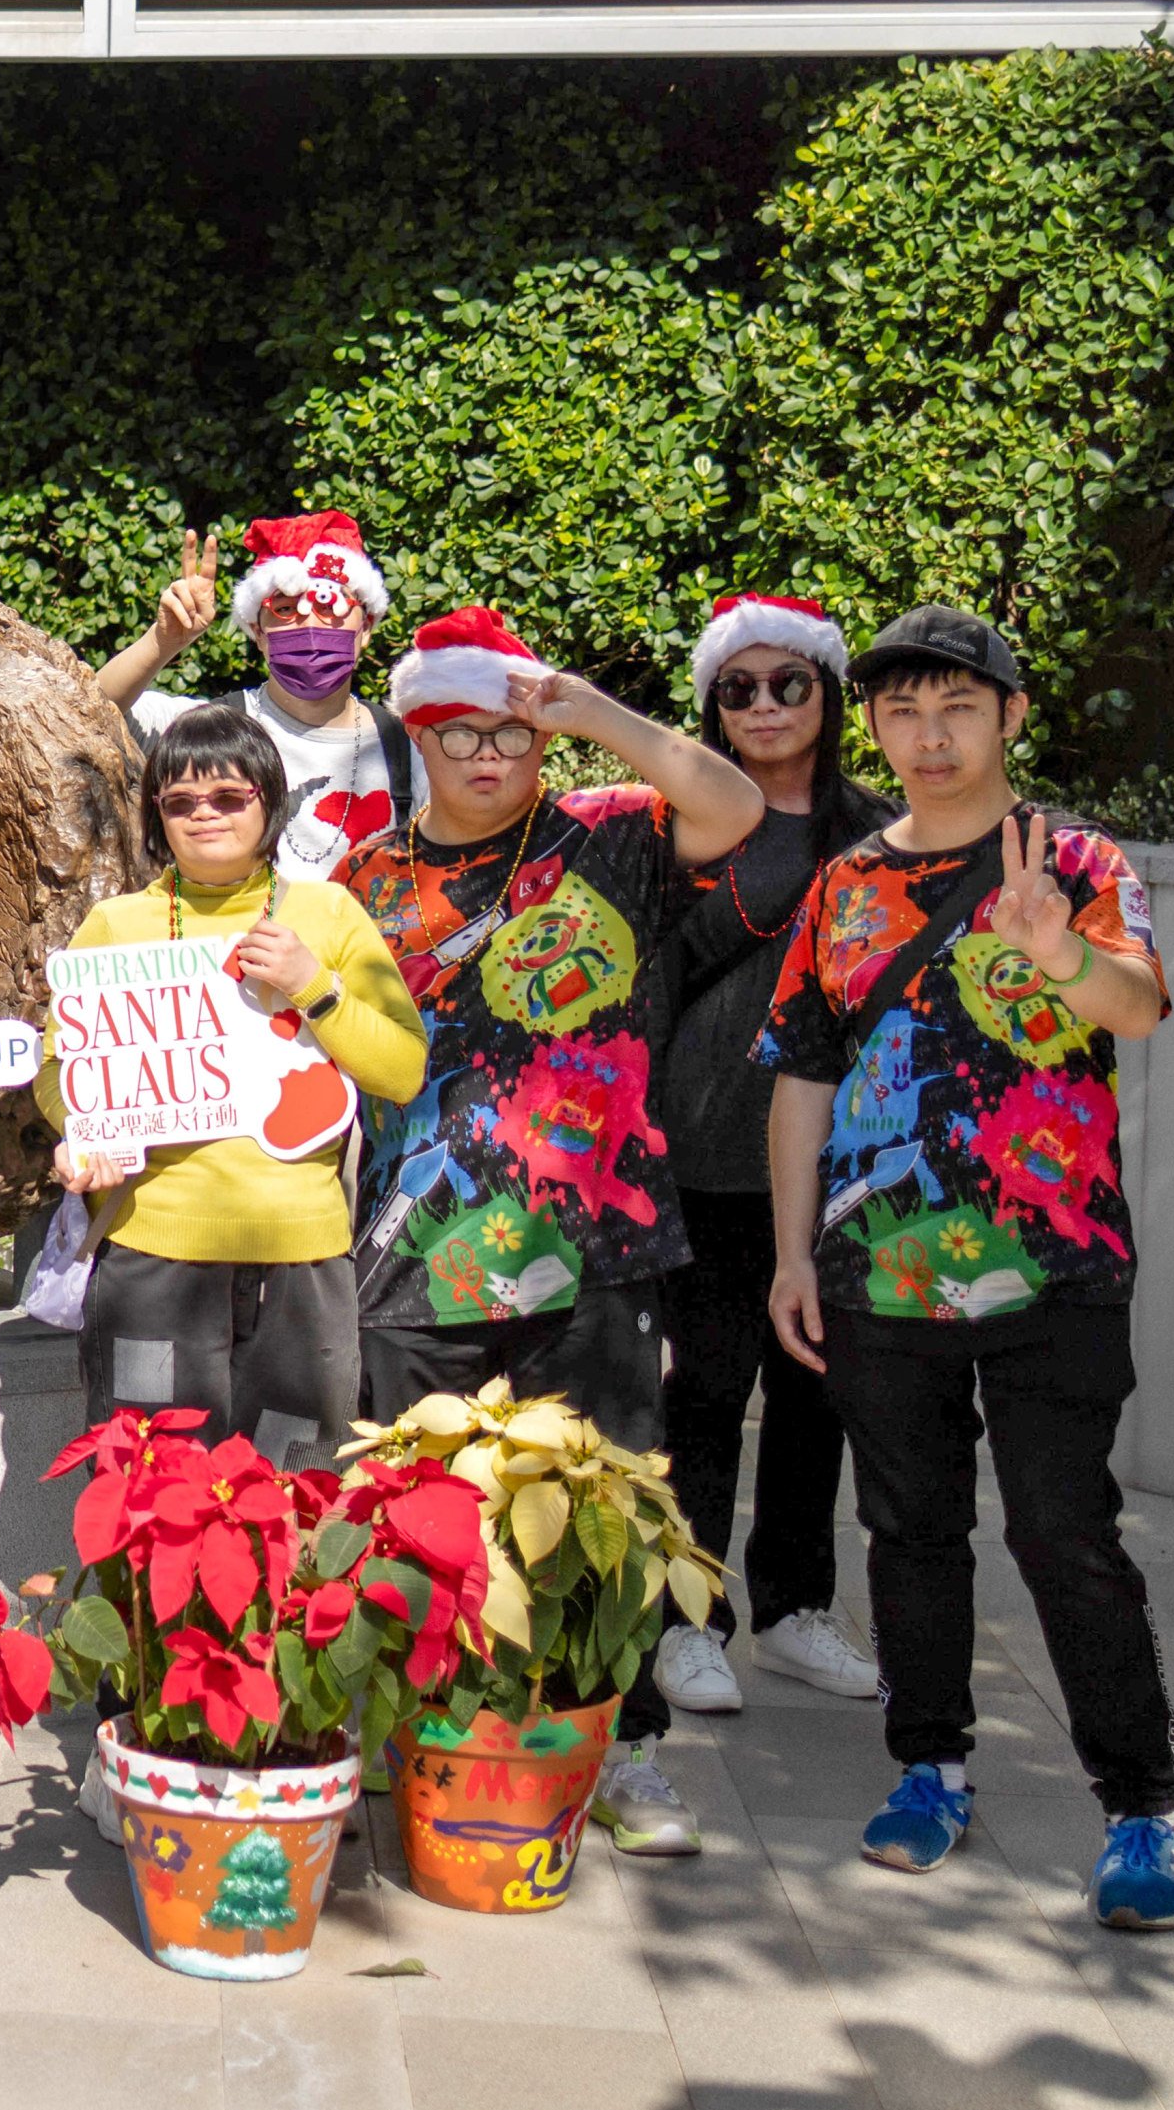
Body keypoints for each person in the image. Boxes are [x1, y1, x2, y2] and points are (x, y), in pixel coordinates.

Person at [755, 606, 1174, 1929]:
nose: (928, 736)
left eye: (956, 706)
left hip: (1055, 1271)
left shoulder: (1079, 856)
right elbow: (803, 1079)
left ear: (1009, 714)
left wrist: (1056, 945)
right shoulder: (843, 885)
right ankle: (929, 1766)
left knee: (1068, 1534)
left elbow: (1139, 1002)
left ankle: (1141, 1804)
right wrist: (790, 1253)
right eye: (901, 711)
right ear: (874, 725)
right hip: (878, 1275)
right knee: (907, 1532)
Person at [339, 606, 762, 1862]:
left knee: (606, 1504)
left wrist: (596, 718)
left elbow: (735, 807)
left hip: (599, 1241)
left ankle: (622, 1747)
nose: (487, 755)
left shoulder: (610, 839)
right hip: (413, 1249)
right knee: (422, 1507)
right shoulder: (363, 885)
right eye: (458, 732)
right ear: (416, 733)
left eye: (509, 735)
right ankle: (431, 1727)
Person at [40, 701, 429, 1453]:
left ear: (269, 799)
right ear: (156, 816)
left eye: (228, 796)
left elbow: (402, 1070)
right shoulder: (115, 926)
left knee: (297, 1485)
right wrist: (79, 1136)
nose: (204, 815)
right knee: (147, 1486)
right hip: (152, 1256)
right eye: (180, 801)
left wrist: (315, 986)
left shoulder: (328, 913)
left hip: (301, 1260)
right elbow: (62, 1072)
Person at [650, 596, 891, 1718]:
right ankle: (685, 1621)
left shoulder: (884, 829)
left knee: (819, 1390)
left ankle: (796, 1605)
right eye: (735, 688)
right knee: (701, 1390)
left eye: (785, 683)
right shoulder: (674, 821)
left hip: (845, 1157)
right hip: (698, 1145)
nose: (760, 705)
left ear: (827, 694)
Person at [95, 511, 428, 885]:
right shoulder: (210, 729)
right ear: (258, 631)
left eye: (329, 604)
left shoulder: (410, 748)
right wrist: (164, 640)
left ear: (366, 626)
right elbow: (90, 710)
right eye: (284, 609)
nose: (309, 624)